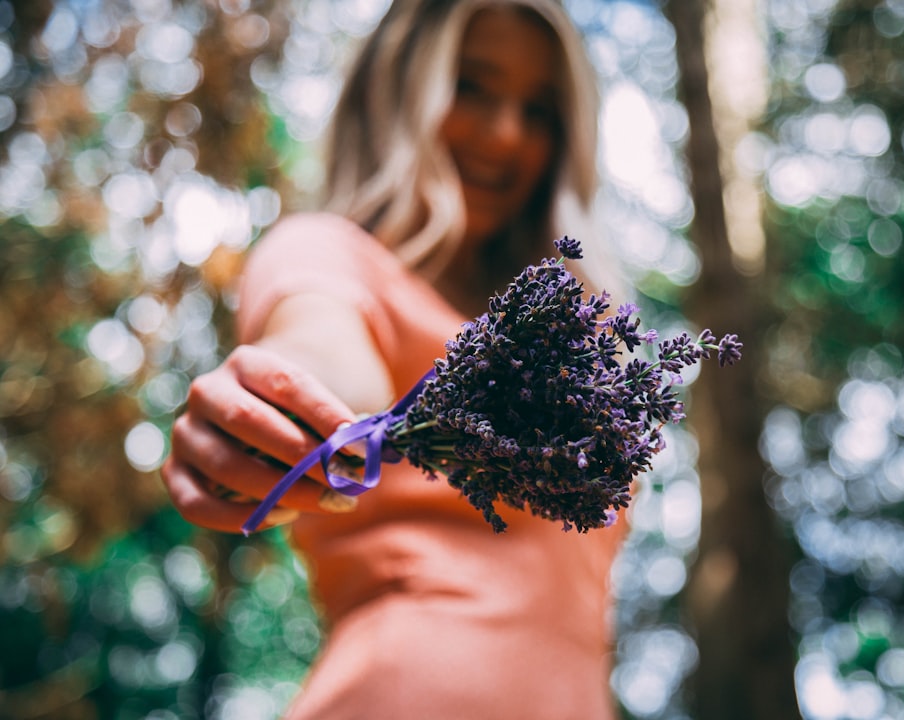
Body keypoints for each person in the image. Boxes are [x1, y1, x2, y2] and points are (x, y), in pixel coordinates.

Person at [160, 1, 626, 717]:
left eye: (539, 109)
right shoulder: (328, 252)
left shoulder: (560, 341)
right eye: (471, 86)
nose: (506, 134)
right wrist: (279, 407)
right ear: (399, 92)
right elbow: (322, 352)